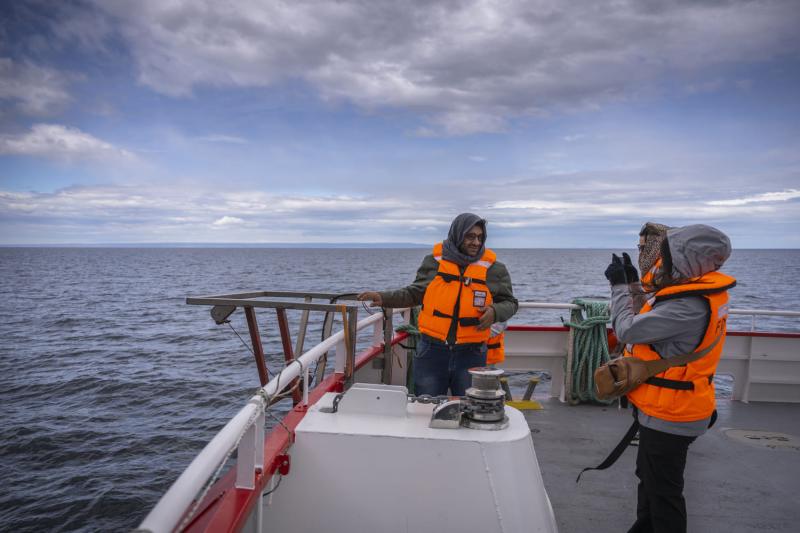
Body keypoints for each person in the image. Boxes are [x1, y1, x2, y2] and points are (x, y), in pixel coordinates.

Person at [604, 223, 736, 533]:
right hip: (668, 409)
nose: (662, 261)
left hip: (671, 415)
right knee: (650, 482)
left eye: (668, 254)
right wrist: (635, 284)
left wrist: (619, 288)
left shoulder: (688, 307)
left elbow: (627, 329)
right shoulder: (702, 293)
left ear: (687, 258)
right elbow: (652, 311)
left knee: (664, 495)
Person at [358, 213, 518, 396]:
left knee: (468, 406)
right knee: (425, 405)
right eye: (470, 236)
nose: (476, 242)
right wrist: (383, 297)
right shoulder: (433, 263)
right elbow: (414, 293)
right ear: (457, 235)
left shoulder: (495, 270)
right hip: (432, 351)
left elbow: (510, 303)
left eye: (480, 237)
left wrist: (495, 311)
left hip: (472, 352)